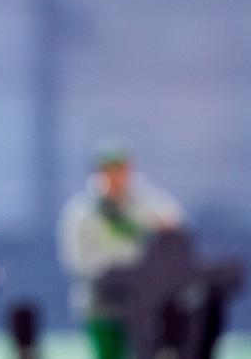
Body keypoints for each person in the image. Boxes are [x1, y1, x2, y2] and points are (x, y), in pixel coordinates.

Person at [58, 142, 183, 359]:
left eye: (121, 170)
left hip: (147, 302)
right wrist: (112, 269)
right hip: (103, 304)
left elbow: (172, 221)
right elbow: (77, 261)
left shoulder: (144, 203)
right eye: (109, 170)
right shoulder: (82, 213)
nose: (116, 177)